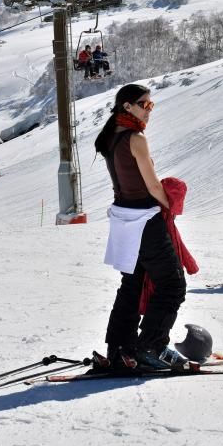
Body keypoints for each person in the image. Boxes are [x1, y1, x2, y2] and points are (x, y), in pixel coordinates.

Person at [94, 83, 187, 370]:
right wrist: (170, 204)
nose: (149, 111)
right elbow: (152, 185)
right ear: (127, 107)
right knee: (172, 284)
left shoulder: (112, 137)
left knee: (132, 284)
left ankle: (119, 348)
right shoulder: (135, 138)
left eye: (151, 105)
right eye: (145, 105)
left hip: (122, 219)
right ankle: (151, 347)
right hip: (145, 220)